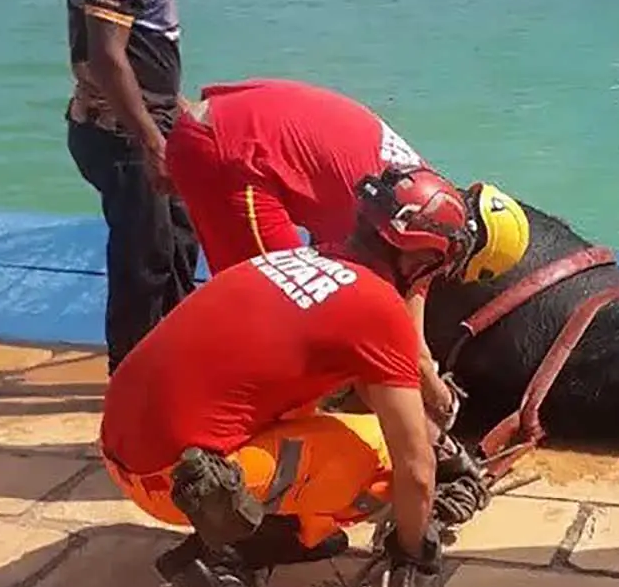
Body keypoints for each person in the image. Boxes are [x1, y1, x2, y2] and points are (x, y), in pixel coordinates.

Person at [98, 165, 505, 587]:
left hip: (120, 450)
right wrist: (416, 548)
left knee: (308, 409)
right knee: (384, 467)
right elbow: (415, 467)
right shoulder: (379, 308)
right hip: (178, 482)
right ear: (418, 259)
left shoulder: (286, 260)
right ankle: (220, 559)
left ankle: (284, 531)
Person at [164, 76, 531, 431]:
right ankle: (243, 438)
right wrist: (444, 405)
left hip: (227, 118)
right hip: (235, 156)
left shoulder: (419, 185)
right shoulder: (427, 229)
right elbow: (409, 354)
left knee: (301, 311)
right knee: (283, 315)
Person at [64, 0, 222, 375]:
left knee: (179, 243)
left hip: (150, 127)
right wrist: (151, 141)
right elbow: (107, 60)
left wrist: (179, 112)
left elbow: (145, 52)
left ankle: (173, 365)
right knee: (144, 260)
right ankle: (133, 381)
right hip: (121, 136)